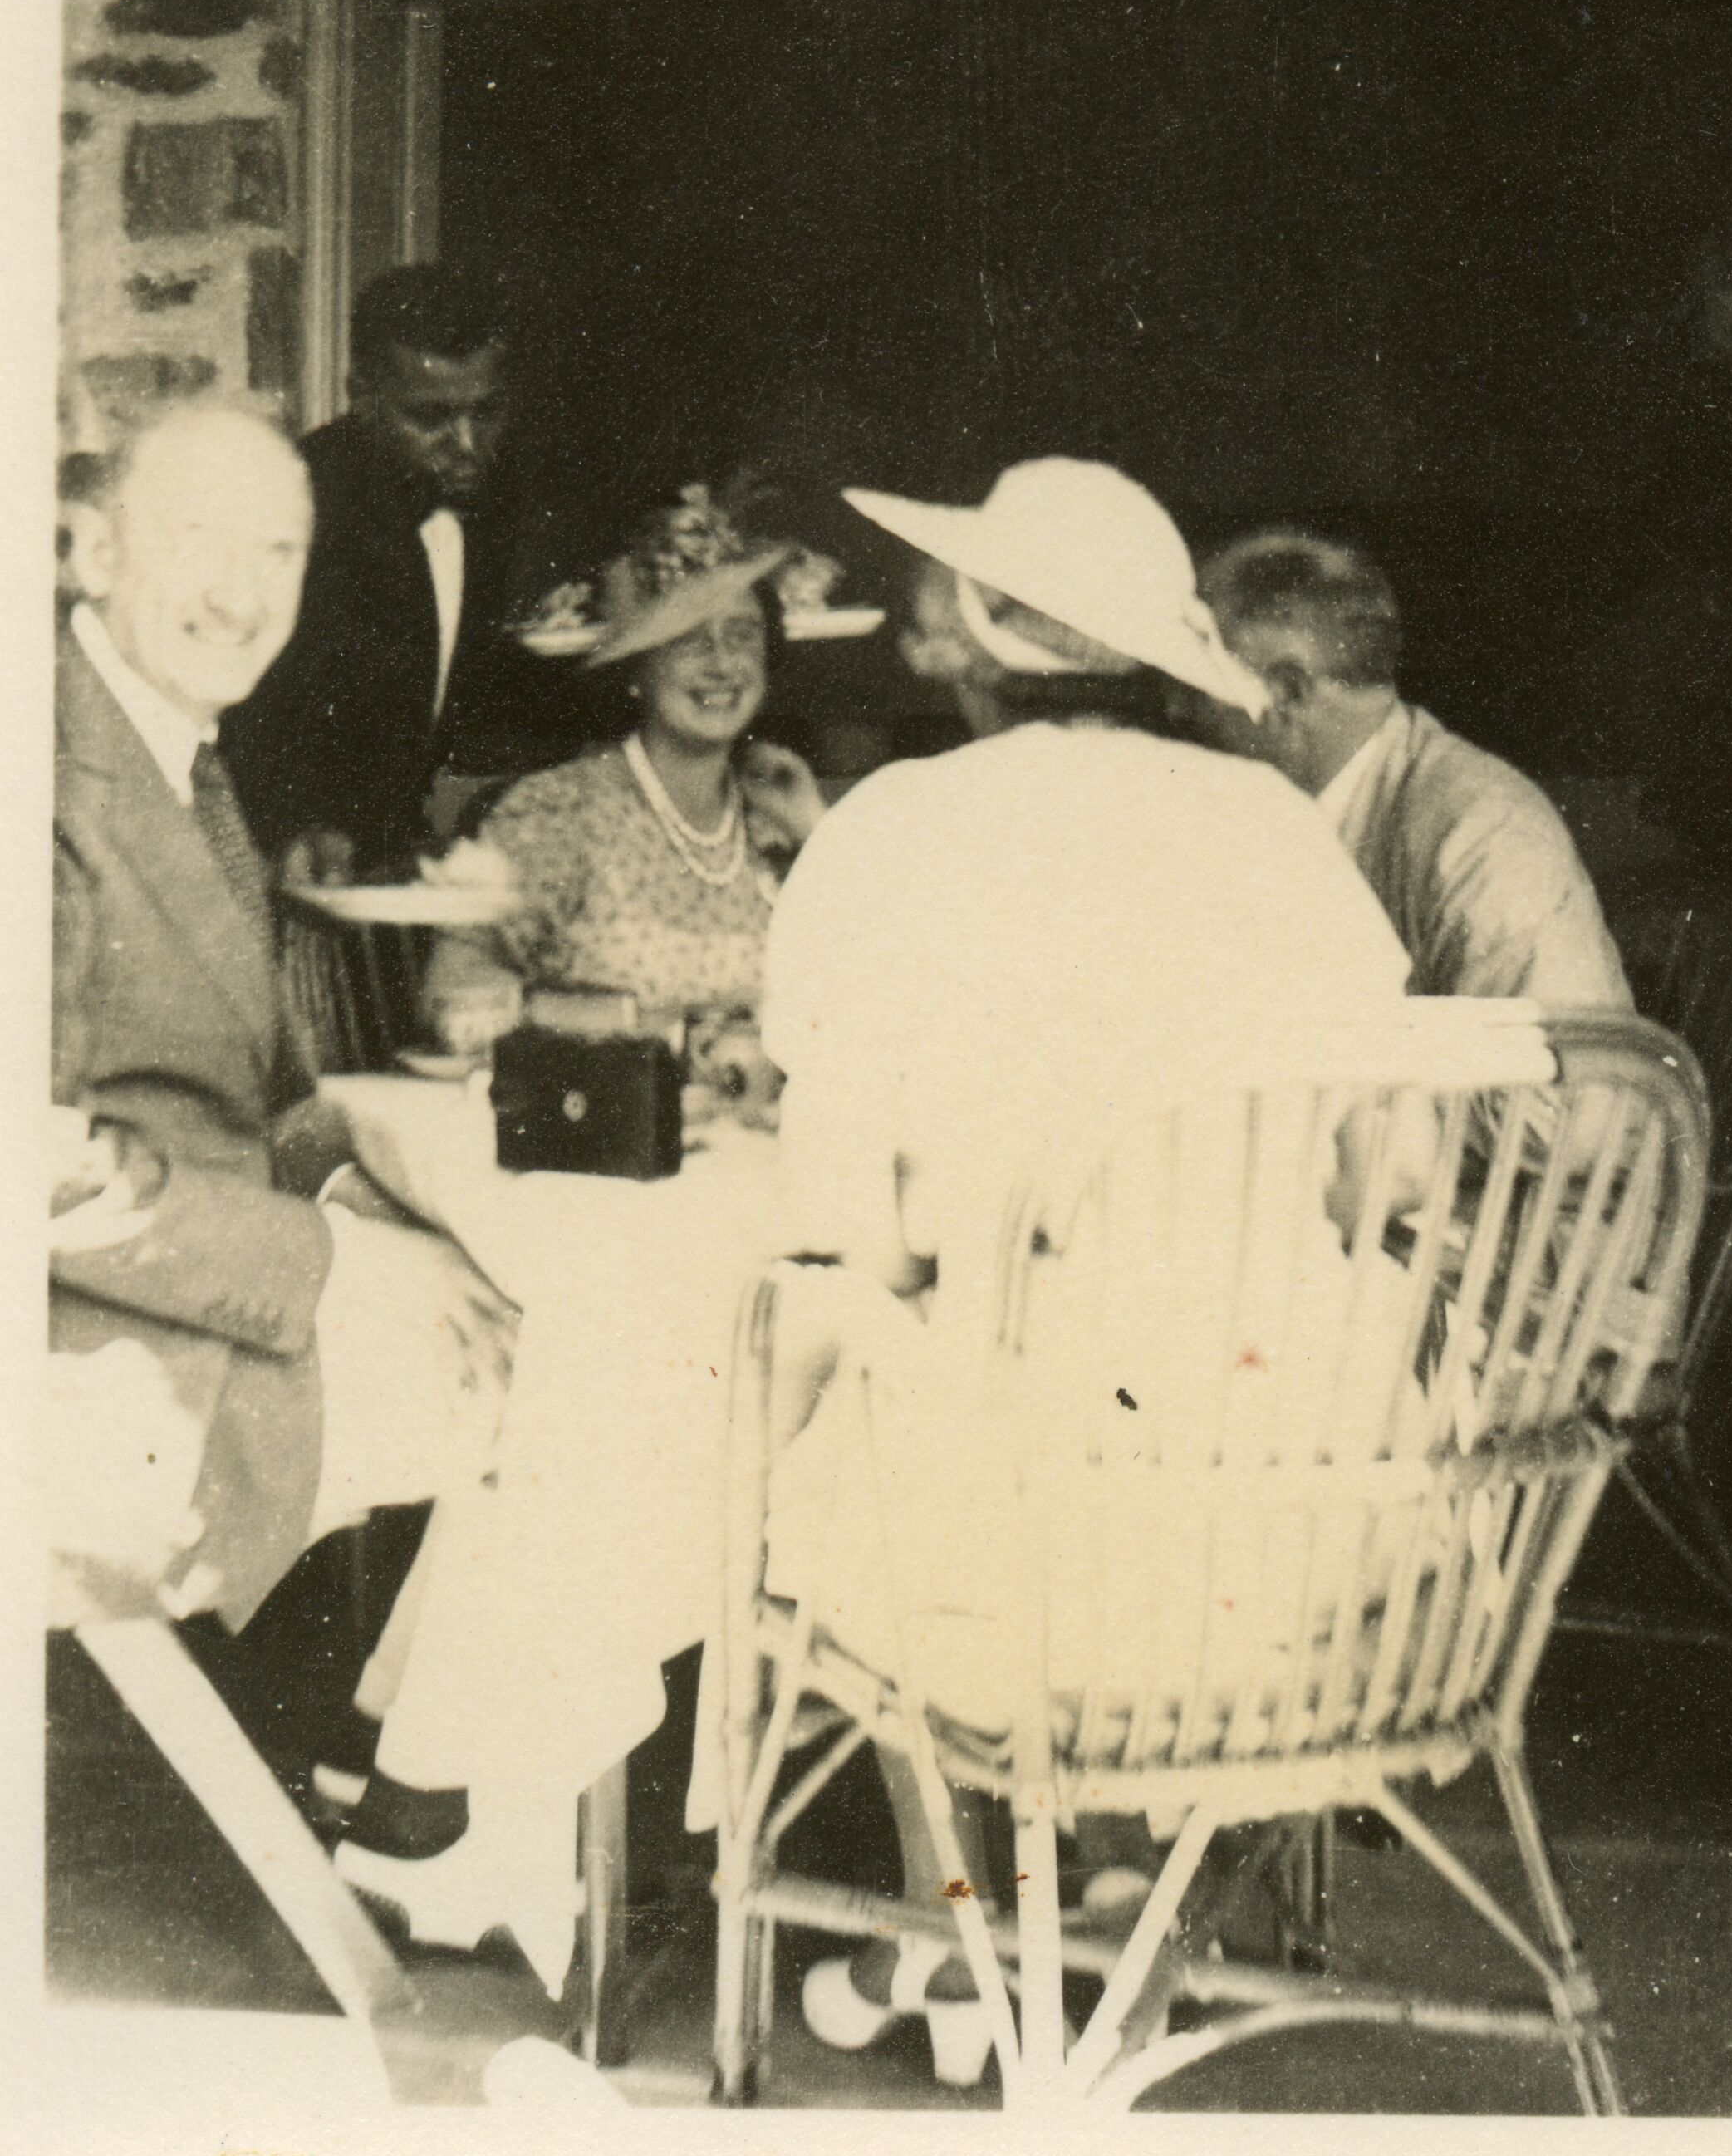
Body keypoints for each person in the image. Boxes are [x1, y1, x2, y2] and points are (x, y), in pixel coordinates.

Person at [763, 459, 1419, 2062]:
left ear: (986, 636)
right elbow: (1385, 1170)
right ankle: (1134, 1884)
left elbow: (851, 1209)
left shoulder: (901, 825)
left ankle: (950, 1918)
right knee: (1136, 1360)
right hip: (1284, 1510)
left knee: (866, 1364)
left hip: (1009, 1528)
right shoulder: (1277, 832)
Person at [51, 402, 514, 1638]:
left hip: (169, 1309)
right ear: (95, 550)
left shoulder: (171, 751)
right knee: (564, 1388)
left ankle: (454, 1750)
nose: (239, 593)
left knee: (538, 1342)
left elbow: (239, 1096)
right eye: (197, 538)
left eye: (276, 552)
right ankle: (471, 1766)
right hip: (77, 1371)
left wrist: (358, 1200)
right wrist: (338, 1261)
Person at [421, 484, 828, 1071]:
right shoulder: (559, 813)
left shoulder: (777, 817)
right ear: (636, 669)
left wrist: (815, 830)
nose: (721, 662)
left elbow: (883, 989)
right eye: (688, 638)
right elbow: (454, 1001)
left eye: (742, 634)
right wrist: (644, 1029)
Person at [1200, 528, 1632, 1013]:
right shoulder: (1256, 818)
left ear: (1287, 692)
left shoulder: (1485, 837)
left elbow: (1566, 1059)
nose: (1176, 709)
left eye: (1194, 686)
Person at [220, 263, 544, 879]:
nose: (467, 445)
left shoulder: (494, 495)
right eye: (431, 418)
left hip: (402, 858)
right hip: (290, 863)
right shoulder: (290, 504)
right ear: (360, 395)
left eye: (487, 413)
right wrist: (297, 826)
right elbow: (244, 717)